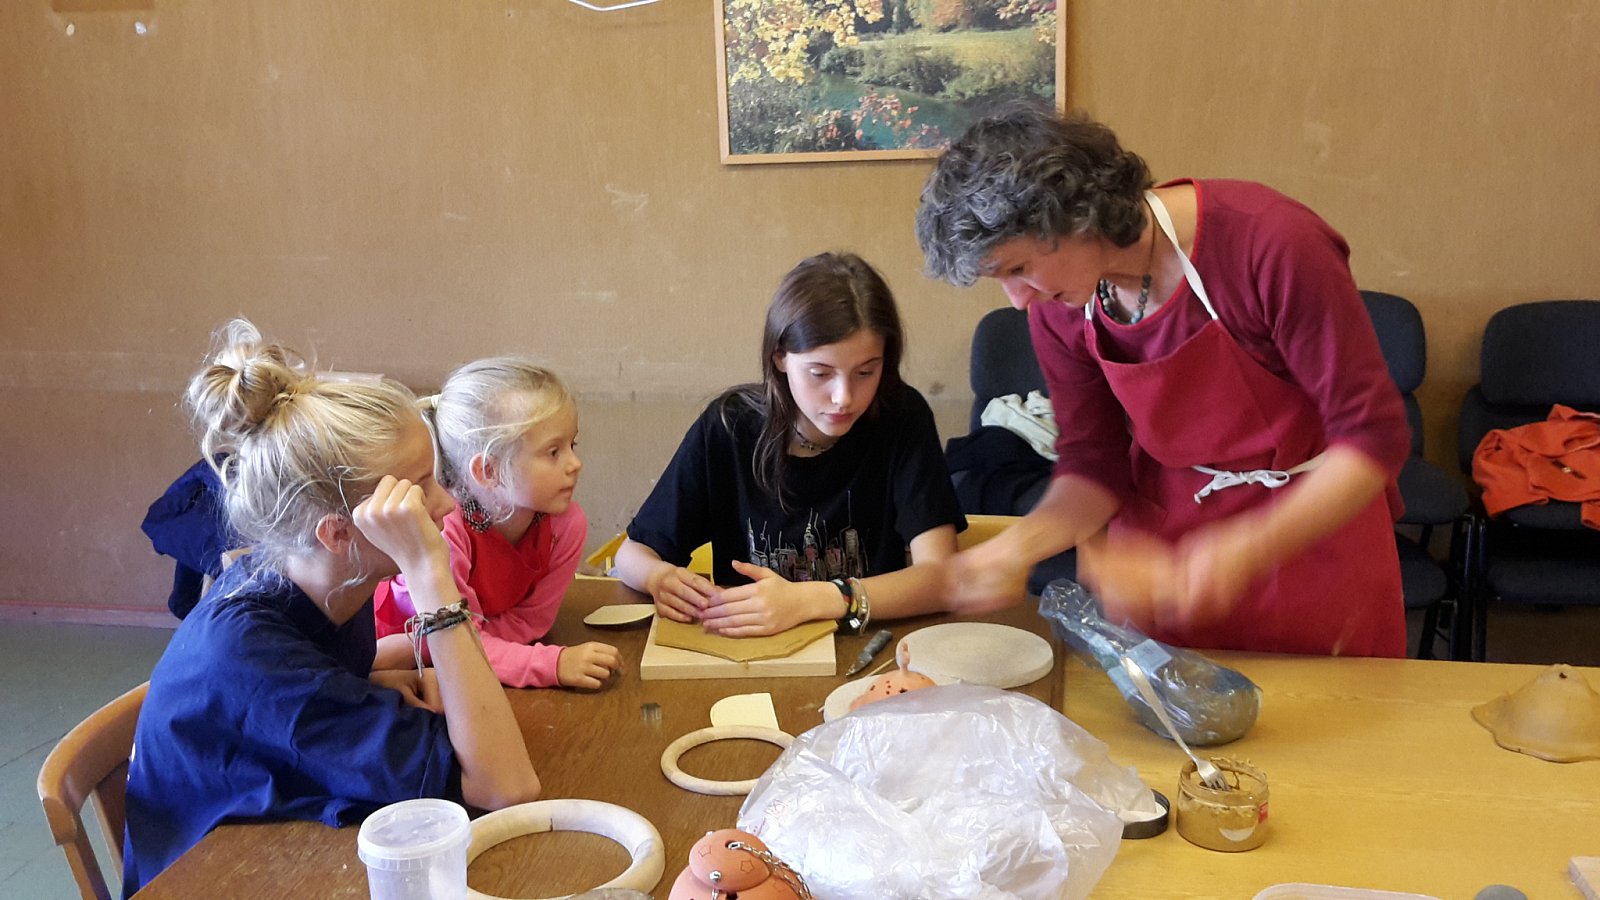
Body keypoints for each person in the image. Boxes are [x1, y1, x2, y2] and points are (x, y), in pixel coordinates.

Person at [915, 103, 1409, 657]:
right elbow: (1093, 465)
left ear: (1072, 217)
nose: (1017, 299)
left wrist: (1241, 552)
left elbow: (1373, 436)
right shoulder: (1061, 309)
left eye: (1018, 268)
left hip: (1313, 534)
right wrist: (1019, 546)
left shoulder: (1270, 243)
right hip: (1167, 554)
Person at [122, 321, 541, 896]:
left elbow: (310, 687)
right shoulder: (255, 659)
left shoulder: (316, 583)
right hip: (213, 879)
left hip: (270, 849)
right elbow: (505, 787)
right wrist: (430, 577)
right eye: (416, 490)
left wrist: (373, 677)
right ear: (338, 532)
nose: (446, 505)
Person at [616, 252, 968, 637]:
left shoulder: (901, 416)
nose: (844, 397)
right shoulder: (730, 426)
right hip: (750, 652)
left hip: (868, 648)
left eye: (866, 372)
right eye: (820, 373)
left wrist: (811, 600)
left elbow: (941, 579)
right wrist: (658, 577)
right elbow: (632, 554)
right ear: (780, 357)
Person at [372, 359, 622, 689]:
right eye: (553, 452)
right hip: (387, 659)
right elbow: (453, 641)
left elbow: (530, 622)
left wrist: (485, 647)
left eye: (572, 445)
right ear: (488, 471)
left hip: (458, 658)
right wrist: (551, 664)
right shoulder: (445, 531)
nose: (575, 464)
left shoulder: (565, 527)